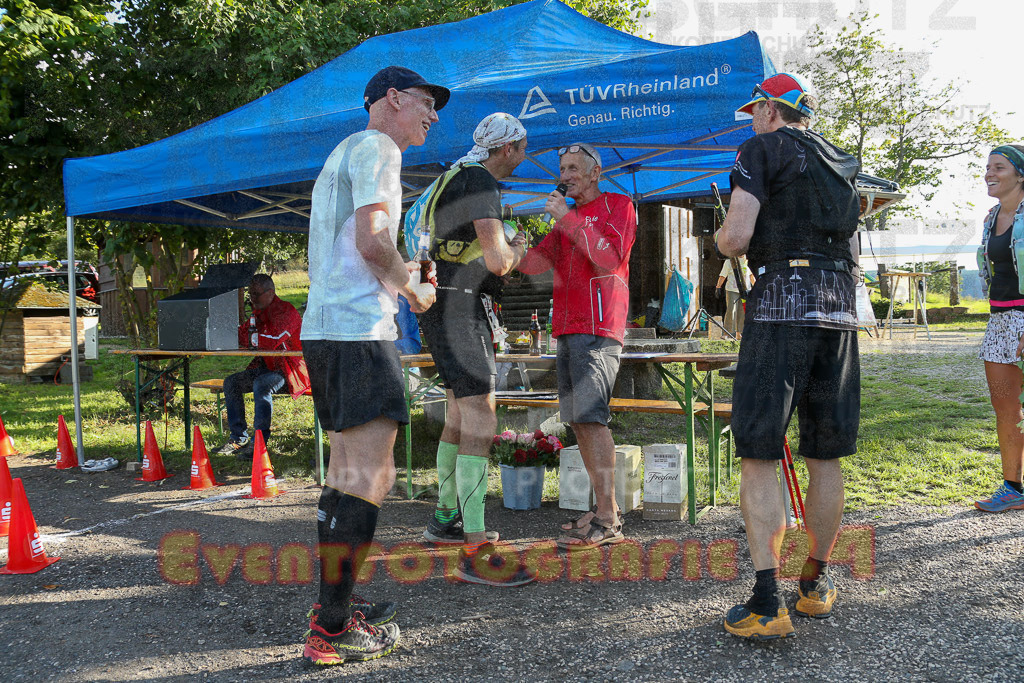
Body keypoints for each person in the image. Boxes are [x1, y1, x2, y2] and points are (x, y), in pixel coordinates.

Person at [299, 65, 445, 665]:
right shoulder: (380, 146)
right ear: (391, 99)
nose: (433, 115)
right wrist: (413, 288)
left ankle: (337, 606)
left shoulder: (348, 150)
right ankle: (331, 629)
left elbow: (363, 240)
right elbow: (372, 241)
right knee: (367, 478)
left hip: (330, 329)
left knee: (347, 478)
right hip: (357, 332)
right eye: (427, 103)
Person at [714, 73, 861, 639]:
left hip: (779, 310)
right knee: (826, 455)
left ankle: (764, 601)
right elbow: (850, 249)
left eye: (756, 110)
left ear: (774, 111)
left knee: (758, 452)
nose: (752, 118)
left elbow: (736, 236)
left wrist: (723, 237)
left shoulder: (761, 148)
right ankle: (814, 584)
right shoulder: (840, 161)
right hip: (839, 313)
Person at [416, 112, 535, 587]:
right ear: (507, 149)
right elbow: (497, 261)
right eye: (523, 148)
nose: (524, 157)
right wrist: (518, 247)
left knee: (458, 416)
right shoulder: (482, 182)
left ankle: (446, 518)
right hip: (461, 308)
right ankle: (476, 542)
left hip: (438, 304)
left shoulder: (453, 176)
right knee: (482, 417)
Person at [517, 142, 637, 548]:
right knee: (578, 421)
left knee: (591, 418)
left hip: (600, 328)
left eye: (572, 168)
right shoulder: (565, 220)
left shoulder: (618, 206)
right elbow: (533, 265)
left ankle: (609, 517)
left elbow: (608, 258)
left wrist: (567, 219)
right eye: (562, 168)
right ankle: (603, 510)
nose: (564, 174)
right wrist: (513, 243)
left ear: (594, 174)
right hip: (567, 328)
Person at [976, 144, 1024, 513]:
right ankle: (1013, 488)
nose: (990, 173)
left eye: (999, 167)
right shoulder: (992, 217)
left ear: (1020, 175)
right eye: (988, 167)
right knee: (1005, 407)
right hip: (1000, 322)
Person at [215, 274, 309, 459]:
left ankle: (259, 442)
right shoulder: (257, 313)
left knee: (261, 384)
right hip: (268, 367)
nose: (252, 299)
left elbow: (274, 340)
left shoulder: (287, 311)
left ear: (271, 293)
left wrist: (252, 338)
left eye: (256, 294)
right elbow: (242, 337)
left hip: (291, 371)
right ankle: (238, 437)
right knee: (231, 382)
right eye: (250, 294)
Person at [715, 257, 755, 338]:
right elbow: (723, 275)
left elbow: (751, 276)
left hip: (745, 290)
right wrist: (718, 287)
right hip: (732, 289)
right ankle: (727, 333)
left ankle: (739, 333)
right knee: (731, 310)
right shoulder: (730, 261)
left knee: (742, 311)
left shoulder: (748, 261)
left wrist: (756, 287)